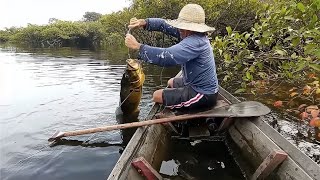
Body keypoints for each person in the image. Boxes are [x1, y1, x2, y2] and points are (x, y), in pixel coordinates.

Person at [125, 3, 219, 111]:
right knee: (170, 82)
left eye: (182, 27)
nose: (179, 29)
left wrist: (138, 46)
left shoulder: (196, 42)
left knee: (156, 95)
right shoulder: (189, 33)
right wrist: (144, 22)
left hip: (204, 94)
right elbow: (163, 25)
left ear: (191, 29)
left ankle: (183, 112)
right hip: (195, 83)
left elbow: (167, 56)